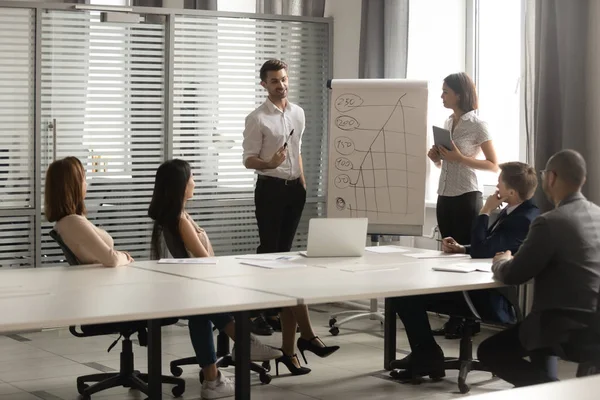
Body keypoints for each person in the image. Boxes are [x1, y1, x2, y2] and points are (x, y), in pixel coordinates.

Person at [389, 161, 540, 381]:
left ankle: (427, 356)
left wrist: (485, 211)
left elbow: (483, 250)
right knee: (409, 294)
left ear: (511, 191)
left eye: (499, 182)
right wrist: (463, 248)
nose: (496, 186)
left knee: (405, 296)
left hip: (489, 299)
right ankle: (427, 356)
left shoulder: (523, 219)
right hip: (481, 289)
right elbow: (490, 248)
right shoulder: (519, 211)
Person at [148, 159, 283, 398]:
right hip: (196, 287)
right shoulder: (179, 219)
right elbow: (203, 260)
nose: (195, 182)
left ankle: (216, 377)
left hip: (194, 288)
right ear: (181, 184)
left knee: (202, 312)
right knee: (205, 307)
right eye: (191, 178)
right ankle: (244, 343)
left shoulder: (179, 215)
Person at [240, 59, 339, 368]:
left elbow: (296, 151)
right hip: (270, 190)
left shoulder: (298, 112)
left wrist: (303, 183)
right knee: (277, 262)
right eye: (273, 81)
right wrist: (269, 163)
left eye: (283, 79)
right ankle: (300, 334)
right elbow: (248, 160)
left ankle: (290, 349)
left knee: (287, 263)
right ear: (263, 85)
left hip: (295, 189)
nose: (280, 85)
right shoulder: (257, 118)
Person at [478, 149, 600, 387]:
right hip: (594, 325)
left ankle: (552, 390)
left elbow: (515, 274)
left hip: (562, 327)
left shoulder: (550, 222)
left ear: (551, 178)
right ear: (582, 180)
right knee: (536, 333)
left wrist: (500, 262)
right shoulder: (597, 215)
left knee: (490, 352)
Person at [429, 72, 500, 338]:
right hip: (444, 194)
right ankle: (453, 317)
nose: (442, 96)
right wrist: (436, 157)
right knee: (447, 256)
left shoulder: (478, 124)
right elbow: (446, 162)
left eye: (446, 91)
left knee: (463, 259)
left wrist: (459, 158)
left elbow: (493, 165)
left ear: (459, 94)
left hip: (466, 195)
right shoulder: (448, 121)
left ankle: (470, 320)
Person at [45, 156, 134, 268]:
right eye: (83, 179)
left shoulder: (68, 221)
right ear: (74, 186)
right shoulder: (73, 222)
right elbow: (112, 259)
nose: (86, 184)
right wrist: (125, 256)